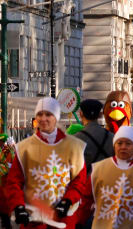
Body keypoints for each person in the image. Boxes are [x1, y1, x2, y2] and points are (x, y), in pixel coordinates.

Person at [6, 97, 87, 229]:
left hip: (63, 219)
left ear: (56, 117)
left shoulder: (73, 147)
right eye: (40, 114)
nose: (43, 119)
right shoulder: (24, 148)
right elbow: (13, 182)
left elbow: (80, 180)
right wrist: (18, 206)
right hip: (34, 220)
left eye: (48, 114)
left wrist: (68, 201)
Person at [86, 126, 133, 228]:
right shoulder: (98, 169)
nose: (123, 147)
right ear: (114, 145)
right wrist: (78, 221)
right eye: (119, 143)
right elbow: (86, 198)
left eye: (128, 143)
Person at [74, 99, 114, 173]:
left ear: (81, 114)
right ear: (100, 114)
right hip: (107, 180)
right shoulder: (112, 137)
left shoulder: (75, 139)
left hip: (87, 182)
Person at [0, 134, 15, 228]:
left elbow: (9, 165)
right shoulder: (5, 150)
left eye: (1, 141)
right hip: (3, 182)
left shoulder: (8, 151)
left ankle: (6, 223)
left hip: (4, 182)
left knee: (5, 205)